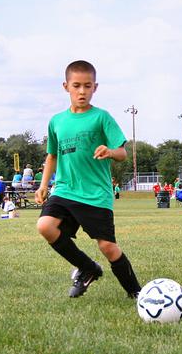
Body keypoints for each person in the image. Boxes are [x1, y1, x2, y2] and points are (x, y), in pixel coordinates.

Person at [35, 60, 141, 299]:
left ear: (95, 87)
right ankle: (87, 268)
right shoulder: (57, 121)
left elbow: (123, 153)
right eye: (76, 86)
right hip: (64, 189)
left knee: (107, 247)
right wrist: (43, 185)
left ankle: (135, 293)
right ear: (66, 87)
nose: (82, 91)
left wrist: (110, 151)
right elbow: (52, 156)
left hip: (95, 193)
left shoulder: (102, 118)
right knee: (45, 226)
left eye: (87, 86)